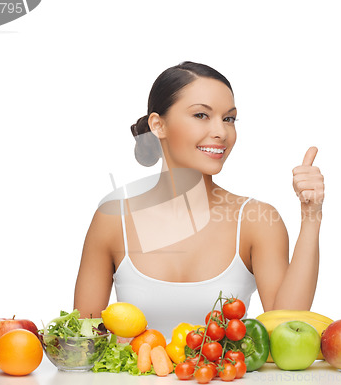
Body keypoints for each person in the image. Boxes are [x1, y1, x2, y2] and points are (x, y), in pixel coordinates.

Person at [73, 61, 325, 338]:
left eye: (228, 119)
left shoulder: (258, 221)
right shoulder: (112, 220)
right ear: (158, 125)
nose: (221, 132)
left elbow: (286, 332)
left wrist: (311, 216)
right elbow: (81, 340)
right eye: (202, 115)